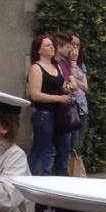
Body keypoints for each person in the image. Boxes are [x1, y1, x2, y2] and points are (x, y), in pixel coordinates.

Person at [27, 34, 72, 176]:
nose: (52, 47)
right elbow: (35, 94)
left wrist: (66, 88)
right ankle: (36, 181)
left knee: (63, 150)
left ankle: (60, 182)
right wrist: (59, 98)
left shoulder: (56, 65)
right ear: (39, 50)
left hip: (59, 114)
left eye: (52, 44)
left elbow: (60, 85)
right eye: (47, 45)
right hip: (43, 115)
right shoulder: (36, 68)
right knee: (44, 150)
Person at [52, 32, 79, 177]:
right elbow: (69, 86)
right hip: (59, 111)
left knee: (66, 150)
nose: (72, 50)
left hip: (66, 110)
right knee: (57, 151)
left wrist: (73, 64)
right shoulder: (57, 64)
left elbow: (74, 85)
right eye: (69, 46)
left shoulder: (66, 63)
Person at [67, 31, 89, 155]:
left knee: (78, 146)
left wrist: (76, 81)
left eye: (78, 45)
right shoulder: (64, 63)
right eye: (73, 44)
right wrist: (73, 64)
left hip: (82, 107)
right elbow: (72, 82)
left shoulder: (81, 65)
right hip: (71, 108)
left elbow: (85, 87)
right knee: (71, 146)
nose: (75, 47)